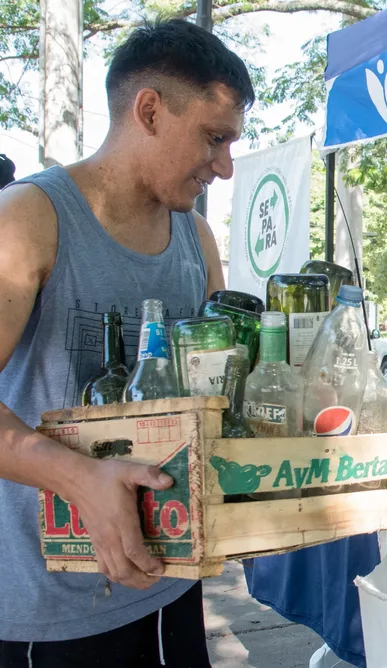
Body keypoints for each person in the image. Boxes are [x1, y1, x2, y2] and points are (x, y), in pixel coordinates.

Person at [0, 20, 249, 665]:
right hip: (50, 614)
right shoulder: (28, 218)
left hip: (171, 587)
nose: (224, 168)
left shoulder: (197, 238)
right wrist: (78, 478)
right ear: (149, 110)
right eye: (214, 139)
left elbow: (210, 406)